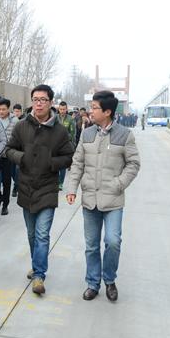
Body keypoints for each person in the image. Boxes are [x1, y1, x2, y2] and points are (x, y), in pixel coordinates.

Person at [66, 90, 141, 302]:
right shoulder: (87, 134)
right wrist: (72, 189)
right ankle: (92, 283)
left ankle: (109, 280)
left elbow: (133, 164)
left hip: (113, 200)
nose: (91, 111)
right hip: (90, 199)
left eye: (94, 108)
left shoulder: (124, 135)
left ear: (107, 112)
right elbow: (77, 163)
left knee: (113, 241)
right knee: (91, 245)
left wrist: (118, 184)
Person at [5, 85, 75, 295]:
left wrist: (51, 162)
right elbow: (9, 149)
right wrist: (22, 158)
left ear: (51, 102)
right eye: (35, 99)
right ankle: (37, 265)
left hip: (47, 188)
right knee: (31, 234)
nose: (38, 103)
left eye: (43, 99)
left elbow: (68, 156)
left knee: (42, 234)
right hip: (26, 187)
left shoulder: (59, 131)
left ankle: (39, 276)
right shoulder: (21, 126)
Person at [0, 98, 17, 215]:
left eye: (3, 109)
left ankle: (5, 205)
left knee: (6, 182)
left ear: (8, 109)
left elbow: (18, 138)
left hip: (8, 156)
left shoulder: (15, 121)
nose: (1, 112)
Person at [57, 101, 76, 191]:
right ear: (58, 109)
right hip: (55, 145)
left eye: (64, 109)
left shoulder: (70, 119)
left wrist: (64, 137)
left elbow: (72, 134)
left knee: (63, 166)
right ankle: (55, 181)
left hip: (65, 146)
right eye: (61, 109)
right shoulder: (55, 118)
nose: (62, 111)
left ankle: (60, 183)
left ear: (66, 109)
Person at [11, 103, 24, 197]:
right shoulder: (11, 120)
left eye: (18, 111)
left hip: (22, 149)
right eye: (15, 111)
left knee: (17, 169)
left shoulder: (25, 120)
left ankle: (16, 187)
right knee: (12, 170)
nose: (17, 113)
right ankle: (17, 183)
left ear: (21, 112)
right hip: (12, 148)